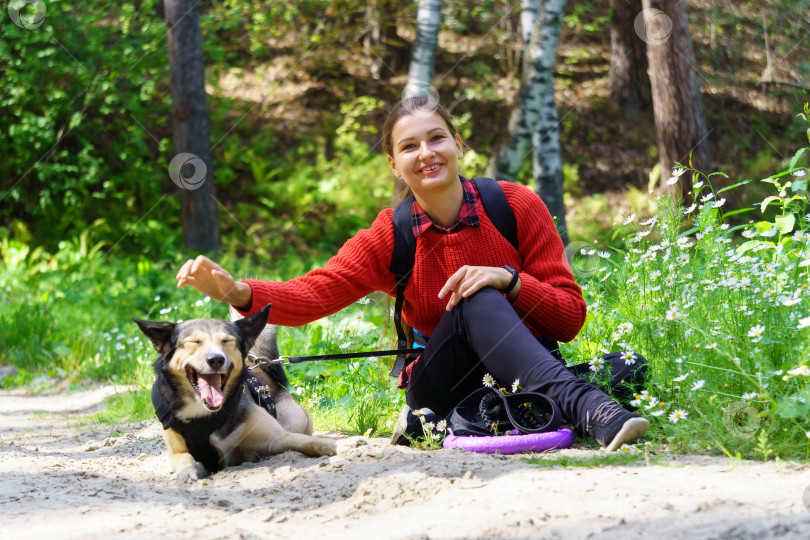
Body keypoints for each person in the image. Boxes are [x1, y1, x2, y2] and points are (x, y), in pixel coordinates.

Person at [175, 95, 649, 451]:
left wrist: (510, 279)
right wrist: (239, 290)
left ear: (457, 144)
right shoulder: (392, 234)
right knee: (475, 296)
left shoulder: (515, 206)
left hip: (525, 366)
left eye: (437, 138)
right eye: (409, 146)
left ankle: (564, 400)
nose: (427, 152)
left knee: (628, 364)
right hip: (440, 381)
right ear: (394, 164)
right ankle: (591, 409)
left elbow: (569, 319)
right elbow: (318, 292)